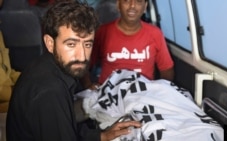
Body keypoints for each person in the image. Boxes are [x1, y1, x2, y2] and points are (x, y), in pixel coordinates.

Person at [6, 1, 141, 141]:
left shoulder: (48, 67)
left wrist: (102, 136)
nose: (82, 56)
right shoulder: (50, 91)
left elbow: (67, 128)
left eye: (87, 44)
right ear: (50, 43)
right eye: (71, 44)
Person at [83, 0, 174, 88]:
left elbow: (166, 69)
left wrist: (161, 90)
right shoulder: (102, 32)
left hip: (144, 94)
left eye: (138, 1)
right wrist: (88, 85)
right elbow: (84, 64)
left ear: (145, 7)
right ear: (118, 5)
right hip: (108, 94)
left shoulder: (155, 34)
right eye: (126, 1)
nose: (132, 6)